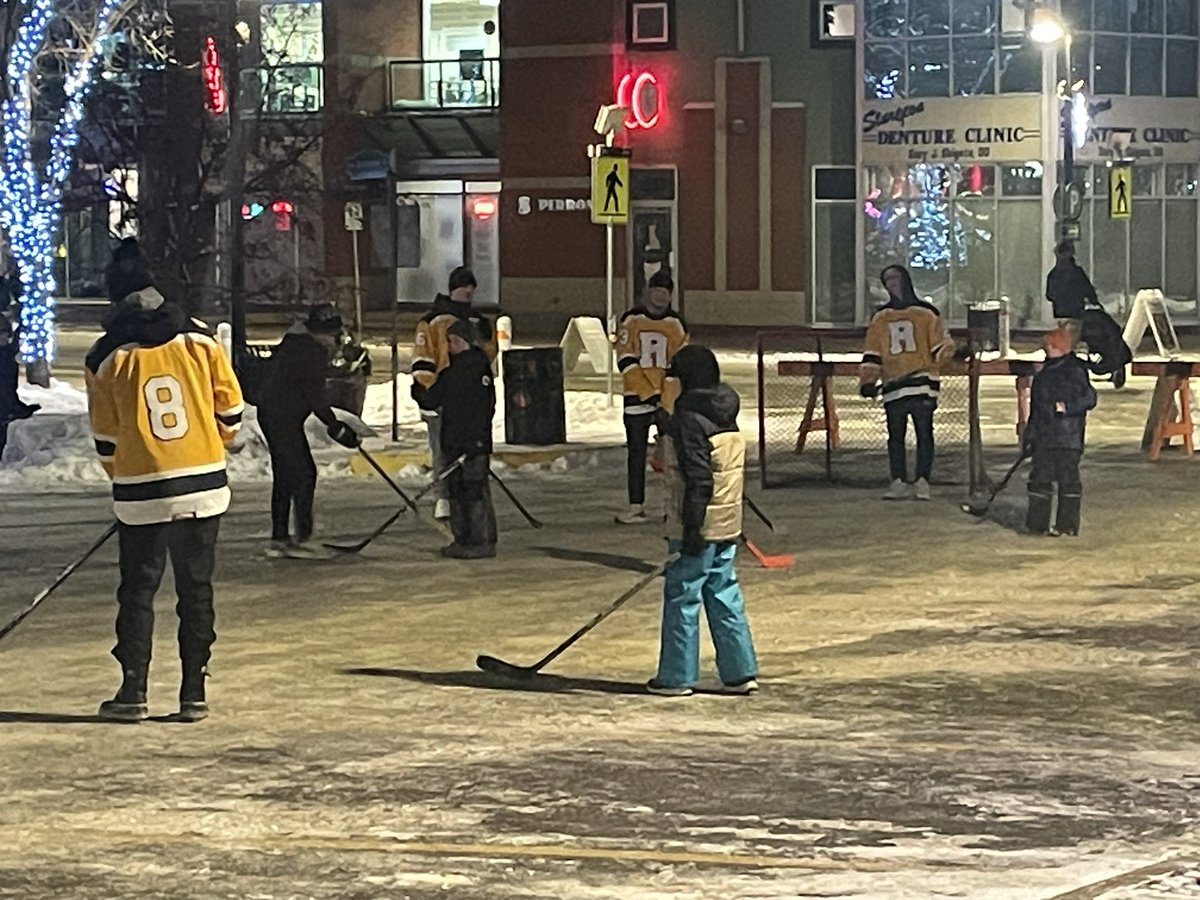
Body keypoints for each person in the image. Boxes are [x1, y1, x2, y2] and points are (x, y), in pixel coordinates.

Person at [85, 252, 244, 722]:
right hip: (204, 484)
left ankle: (133, 690)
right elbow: (231, 411)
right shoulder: (201, 339)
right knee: (196, 590)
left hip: (141, 490)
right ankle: (194, 690)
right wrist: (210, 443)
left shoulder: (105, 356)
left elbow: (106, 438)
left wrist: (126, 477)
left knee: (137, 591)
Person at [648, 345, 758, 697]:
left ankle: (676, 676)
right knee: (723, 591)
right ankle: (740, 672)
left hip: (697, 521)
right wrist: (668, 427)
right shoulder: (724, 408)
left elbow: (698, 477)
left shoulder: (688, 418)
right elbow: (711, 454)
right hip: (727, 521)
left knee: (683, 595)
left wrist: (692, 529)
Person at [257, 303, 361, 558]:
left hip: (274, 413)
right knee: (303, 474)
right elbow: (315, 396)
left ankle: (282, 536)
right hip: (281, 416)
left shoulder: (296, 342)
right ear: (324, 334)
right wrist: (336, 427)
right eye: (335, 335)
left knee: (287, 474)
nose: (336, 342)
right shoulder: (310, 351)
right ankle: (300, 536)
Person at [860, 265, 955, 501]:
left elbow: (940, 346)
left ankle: (923, 480)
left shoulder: (927, 313)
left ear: (905, 280)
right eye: (887, 280)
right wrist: (868, 381)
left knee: (924, 433)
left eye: (895, 278)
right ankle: (898, 481)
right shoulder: (880, 318)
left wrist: (952, 352)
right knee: (895, 435)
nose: (892, 283)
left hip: (922, 382)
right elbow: (873, 351)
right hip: (893, 384)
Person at [411, 266, 493, 521]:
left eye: (471, 289)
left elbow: (485, 359)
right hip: (443, 395)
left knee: (469, 451)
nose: (468, 293)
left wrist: (488, 340)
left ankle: (471, 499)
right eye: (463, 288)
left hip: (469, 398)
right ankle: (444, 497)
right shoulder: (433, 321)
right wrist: (428, 393)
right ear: (453, 289)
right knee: (442, 450)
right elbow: (424, 359)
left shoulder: (476, 321)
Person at [412, 319, 497, 559]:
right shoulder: (456, 372)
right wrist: (419, 392)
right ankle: (465, 539)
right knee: (460, 492)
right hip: (456, 443)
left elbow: (484, 409)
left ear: (461, 341)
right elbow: (434, 399)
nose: (448, 347)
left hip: (470, 445)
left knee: (473, 494)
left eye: (451, 341)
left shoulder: (473, 371)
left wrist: (478, 441)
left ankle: (478, 541)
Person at [614, 269, 688, 524]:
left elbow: (681, 363)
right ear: (648, 291)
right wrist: (646, 391)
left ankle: (673, 506)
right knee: (636, 453)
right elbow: (624, 357)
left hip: (667, 401)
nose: (660, 296)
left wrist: (666, 397)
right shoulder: (631, 319)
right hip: (636, 397)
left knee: (672, 456)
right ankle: (636, 506)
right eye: (656, 290)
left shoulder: (677, 324)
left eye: (665, 292)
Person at [1024, 327, 1096, 537]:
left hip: (1067, 438)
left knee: (1068, 481)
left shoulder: (1075, 370)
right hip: (1045, 437)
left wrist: (1067, 407)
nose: (1046, 349)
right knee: (1040, 480)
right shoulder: (1043, 374)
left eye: (1049, 346)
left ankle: (1067, 525)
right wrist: (1030, 435)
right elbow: (1037, 409)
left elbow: (1090, 398)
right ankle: (1037, 525)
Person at [1045, 240, 1098, 344]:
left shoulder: (1053, 274)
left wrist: (1059, 298)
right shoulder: (1077, 272)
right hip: (1076, 312)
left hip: (1060, 313)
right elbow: (1088, 290)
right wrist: (1094, 300)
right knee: (1073, 339)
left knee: (1063, 340)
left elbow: (1049, 295)